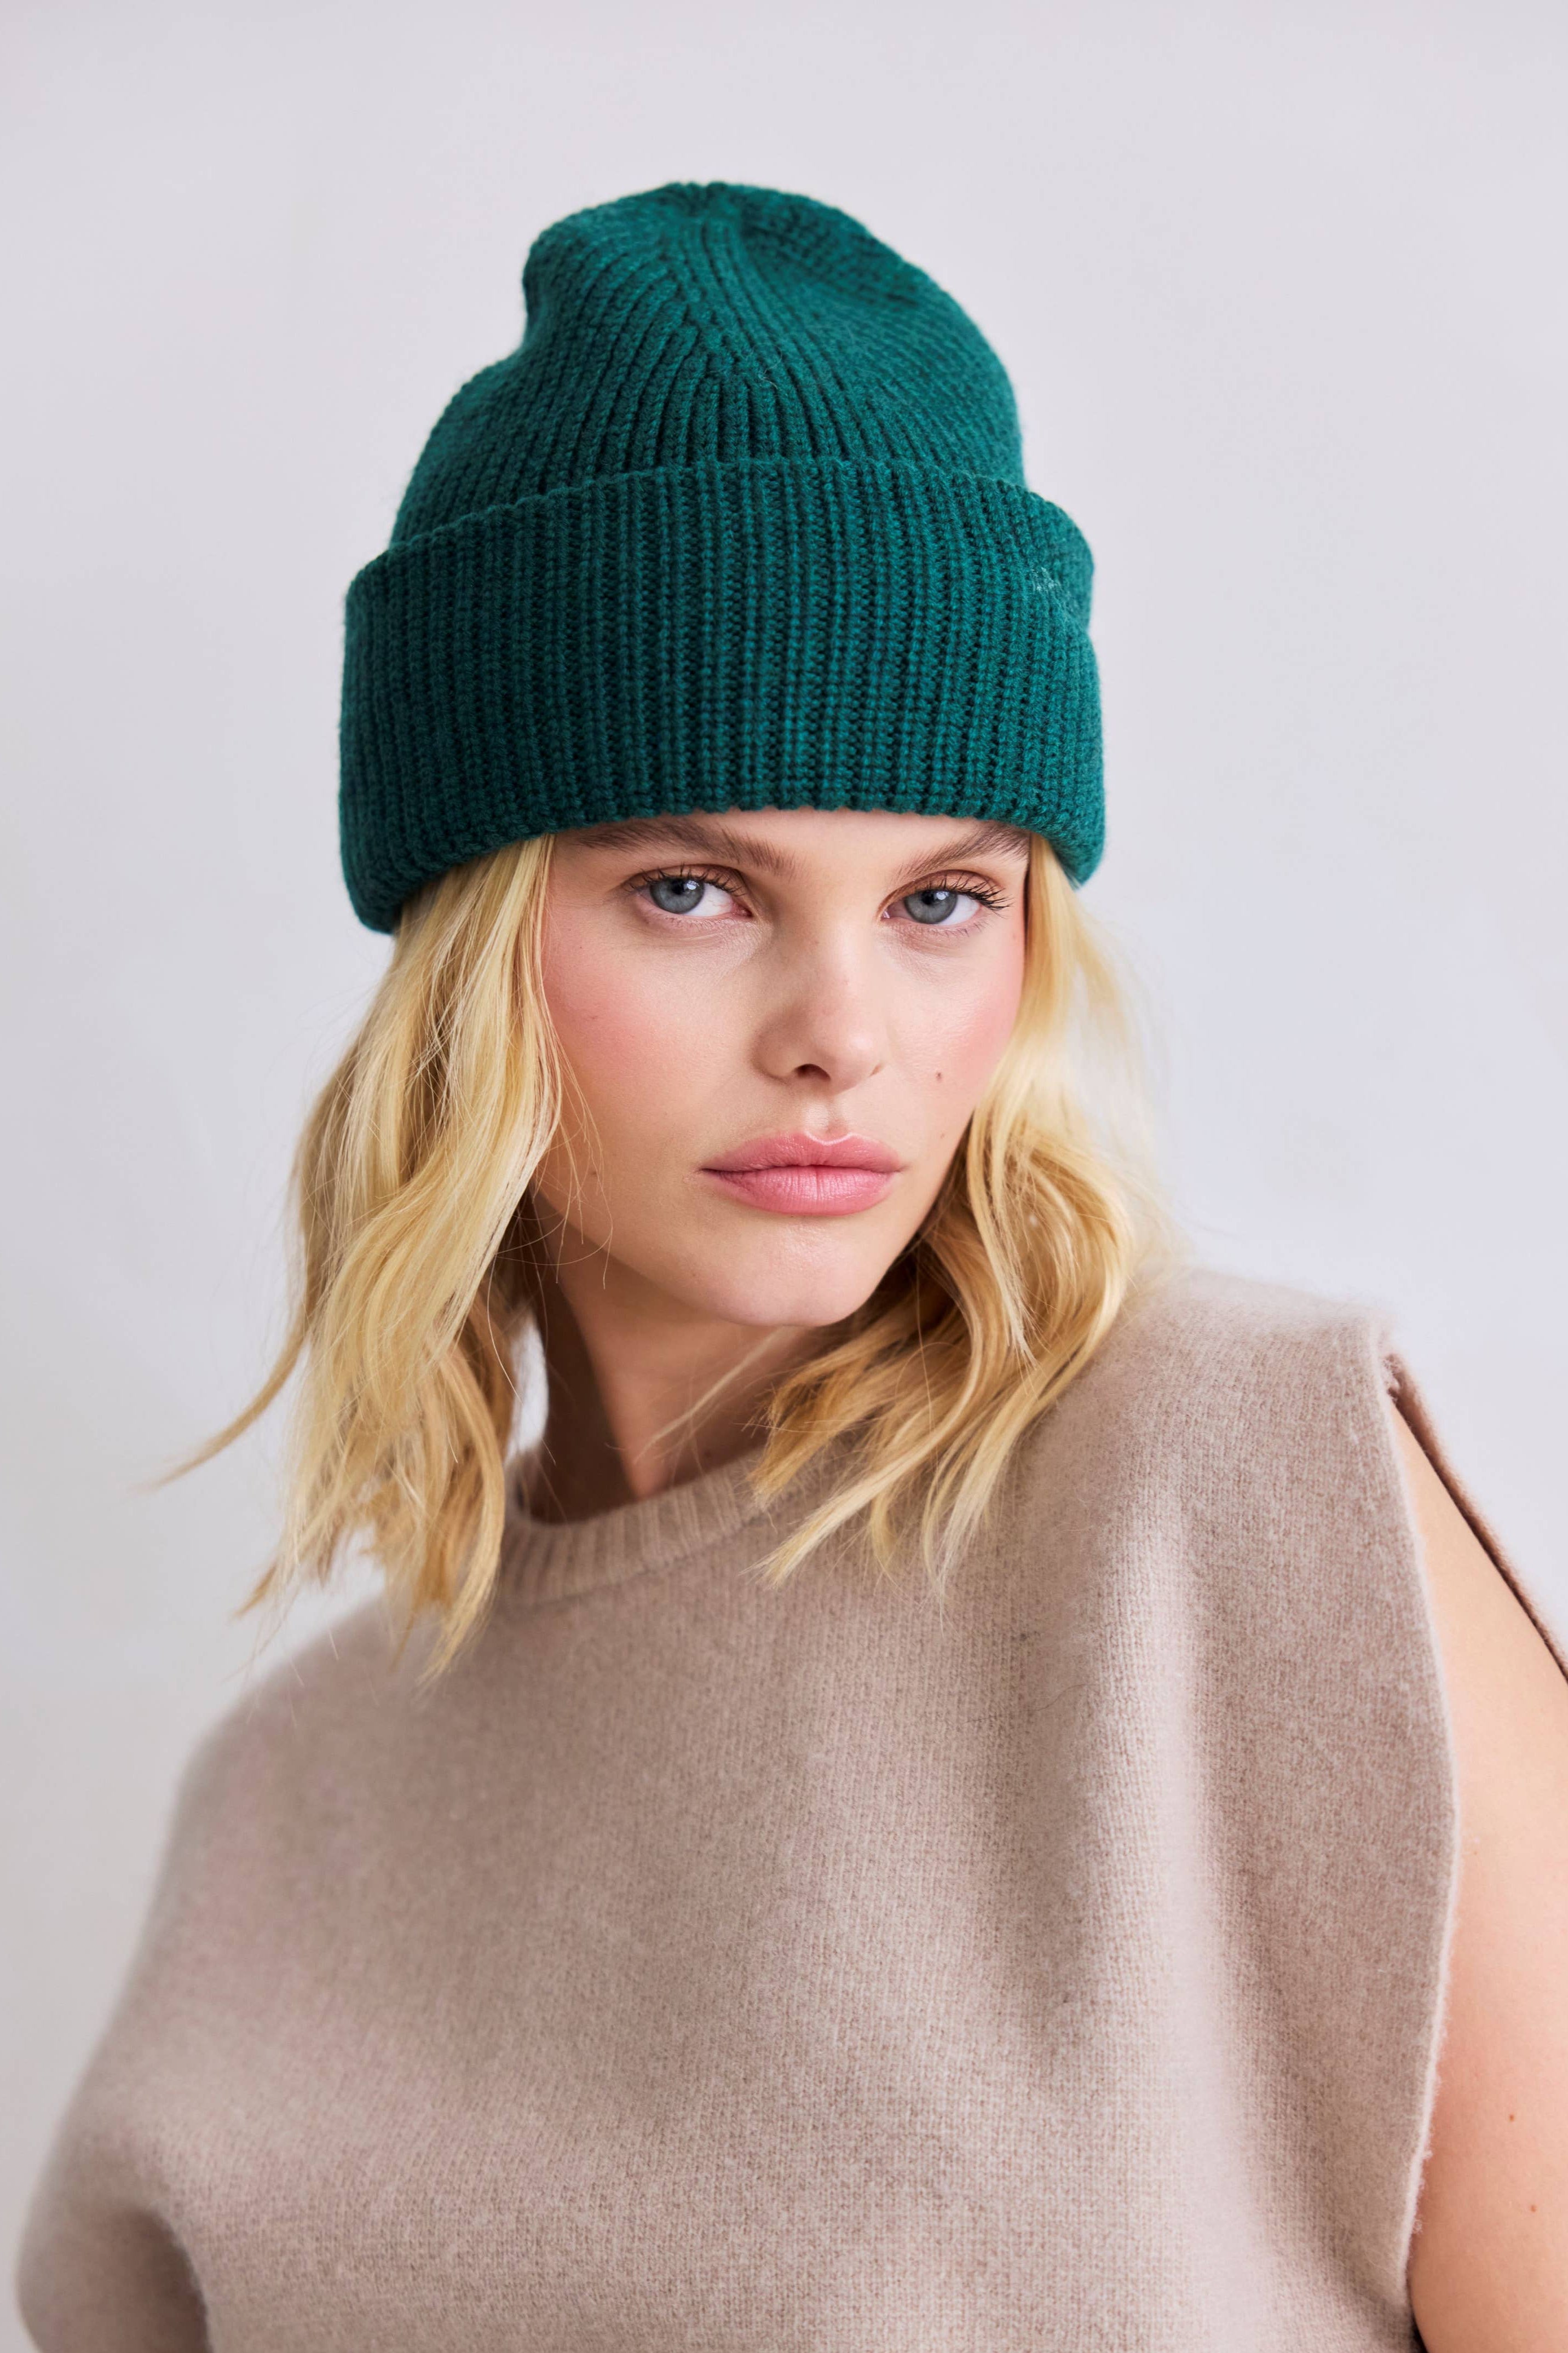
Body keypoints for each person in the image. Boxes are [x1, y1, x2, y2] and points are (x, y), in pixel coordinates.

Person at [15, 181, 1567, 2353]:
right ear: (471, 944)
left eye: (940, 900)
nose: (841, 1029)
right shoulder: (287, 1806)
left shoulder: (1244, 1500)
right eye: (693, 887)